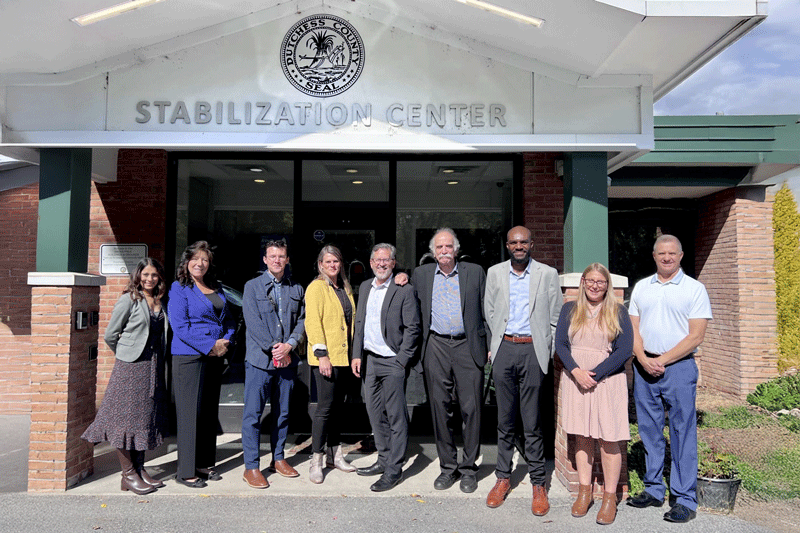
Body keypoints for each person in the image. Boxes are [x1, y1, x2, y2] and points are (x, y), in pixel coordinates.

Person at [626, 234, 712, 523]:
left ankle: (684, 499)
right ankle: (653, 490)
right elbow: (633, 330)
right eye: (661, 253)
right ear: (653, 255)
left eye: (672, 253)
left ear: (681, 255)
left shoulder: (694, 289)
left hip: (678, 368)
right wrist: (642, 358)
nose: (666, 257)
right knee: (649, 430)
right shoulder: (641, 288)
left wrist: (661, 360)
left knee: (682, 433)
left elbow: (696, 335)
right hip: (644, 365)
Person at [484, 226, 562, 515]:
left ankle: (538, 483)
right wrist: (496, 344)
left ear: (532, 244)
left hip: (533, 351)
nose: (519, 246)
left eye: (524, 242)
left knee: (532, 422)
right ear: (507, 245)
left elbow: (555, 317)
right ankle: (503, 478)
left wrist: (547, 350)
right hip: (505, 348)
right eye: (514, 242)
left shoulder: (547, 274)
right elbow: (489, 311)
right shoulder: (495, 273)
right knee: (504, 420)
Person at [82, 258, 169, 495]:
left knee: (142, 420)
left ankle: (139, 470)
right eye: (146, 275)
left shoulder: (160, 301)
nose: (150, 279)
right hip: (130, 368)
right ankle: (128, 474)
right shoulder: (129, 299)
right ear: (138, 276)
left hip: (153, 367)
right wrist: (127, 355)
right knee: (123, 421)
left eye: (154, 275)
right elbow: (111, 335)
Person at [555, 263, 634, 525]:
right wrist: (576, 371)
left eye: (600, 282)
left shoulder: (618, 312)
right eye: (590, 280)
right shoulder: (570, 309)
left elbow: (624, 351)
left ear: (607, 285)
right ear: (583, 283)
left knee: (609, 440)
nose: (595, 286)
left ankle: (609, 498)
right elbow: (561, 345)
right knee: (583, 437)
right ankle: (585, 492)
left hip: (607, 383)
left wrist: (595, 374)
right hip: (576, 381)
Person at [413, 228, 487, 493]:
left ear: (456, 249)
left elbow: (485, 308)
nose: (444, 251)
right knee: (440, 408)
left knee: (472, 409)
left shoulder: (475, 272)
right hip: (436, 345)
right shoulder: (420, 275)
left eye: (448, 247)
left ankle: (468, 469)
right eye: (439, 247)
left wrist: (487, 344)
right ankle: (447, 468)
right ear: (433, 252)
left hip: (468, 345)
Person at [351, 244, 421, 492]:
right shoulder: (365, 287)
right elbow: (360, 322)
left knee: (396, 416)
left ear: (393, 263)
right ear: (370, 263)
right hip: (370, 361)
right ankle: (383, 459)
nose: (381, 264)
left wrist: (402, 359)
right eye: (377, 260)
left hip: (393, 361)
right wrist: (357, 354)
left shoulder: (404, 289)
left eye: (386, 260)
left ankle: (394, 469)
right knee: (374, 412)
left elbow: (413, 328)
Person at [168, 241, 236, 488]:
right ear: (187, 262)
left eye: (205, 259)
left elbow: (229, 319)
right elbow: (180, 327)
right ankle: (185, 471)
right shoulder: (179, 289)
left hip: (215, 357)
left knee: (207, 414)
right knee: (189, 415)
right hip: (189, 357)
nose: (200, 263)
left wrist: (226, 341)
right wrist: (210, 345)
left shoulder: (216, 288)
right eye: (195, 259)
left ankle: (204, 463)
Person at [241, 239, 305, 489]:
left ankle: (278, 459)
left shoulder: (296, 287)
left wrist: (289, 345)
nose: (277, 260)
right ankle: (251, 466)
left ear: (287, 260)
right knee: (253, 415)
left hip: (287, 360)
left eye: (282, 256)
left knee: (283, 413)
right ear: (265, 260)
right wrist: (275, 350)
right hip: (260, 361)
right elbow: (253, 323)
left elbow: (302, 319)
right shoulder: (252, 287)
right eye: (272, 256)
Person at [304, 245, 357, 483]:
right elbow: (313, 322)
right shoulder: (316, 287)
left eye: (336, 261)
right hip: (326, 358)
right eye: (328, 262)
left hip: (344, 357)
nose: (333, 265)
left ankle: (335, 454)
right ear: (320, 265)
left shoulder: (344, 288)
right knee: (324, 409)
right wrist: (322, 355)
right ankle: (316, 459)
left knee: (338, 408)